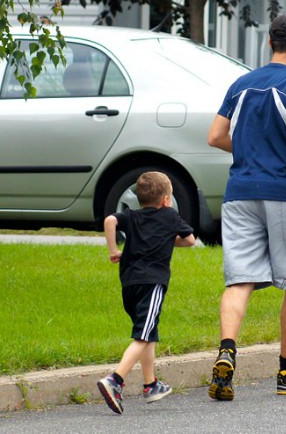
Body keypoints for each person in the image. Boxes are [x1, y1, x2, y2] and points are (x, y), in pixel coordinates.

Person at [206, 13, 286, 401]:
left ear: (269, 43)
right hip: (284, 194)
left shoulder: (241, 84)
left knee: (239, 279)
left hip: (240, 192)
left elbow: (215, 136)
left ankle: (227, 351)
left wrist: (250, 149)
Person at [97, 171, 196, 414]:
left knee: (149, 331)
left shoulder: (130, 216)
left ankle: (150, 385)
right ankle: (115, 380)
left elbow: (110, 221)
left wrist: (113, 249)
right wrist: (167, 238)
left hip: (129, 283)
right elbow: (190, 240)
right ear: (165, 200)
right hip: (153, 283)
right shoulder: (170, 216)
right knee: (143, 334)